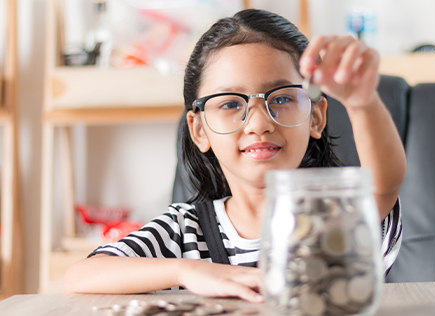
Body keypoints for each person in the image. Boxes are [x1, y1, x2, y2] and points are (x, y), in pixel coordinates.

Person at [62, 9, 406, 303]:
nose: (258, 123)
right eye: (230, 103)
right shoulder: (184, 230)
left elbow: (383, 185)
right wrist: (188, 269)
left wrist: (363, 102)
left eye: (283, 98)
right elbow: (79, 277)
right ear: (199, 130)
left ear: (315, 116)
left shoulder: (336, 215)